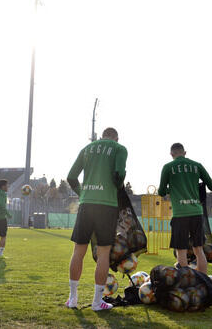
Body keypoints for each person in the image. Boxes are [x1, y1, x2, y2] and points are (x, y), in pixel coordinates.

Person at [65, 127, 128, 311]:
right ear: (116, 137)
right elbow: (119, 175)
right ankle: (96, 302)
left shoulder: (87, 148)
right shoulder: (119, 148)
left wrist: (82, 193)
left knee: (78, 251)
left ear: (102, 136)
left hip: (86, 204)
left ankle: (73, 299)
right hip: (107, 205)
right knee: (103, 254)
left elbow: (71, 177)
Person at [158, 143, 212, 274]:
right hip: (197, 213)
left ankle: (186, 283)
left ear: (172, 154)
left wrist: (171, 189)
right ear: (185, 152)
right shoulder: (197, 165)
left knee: (181, 250)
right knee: (198, 250)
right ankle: (203, 281)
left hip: (180, 215)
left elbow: (161, 192)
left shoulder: (167, 167)